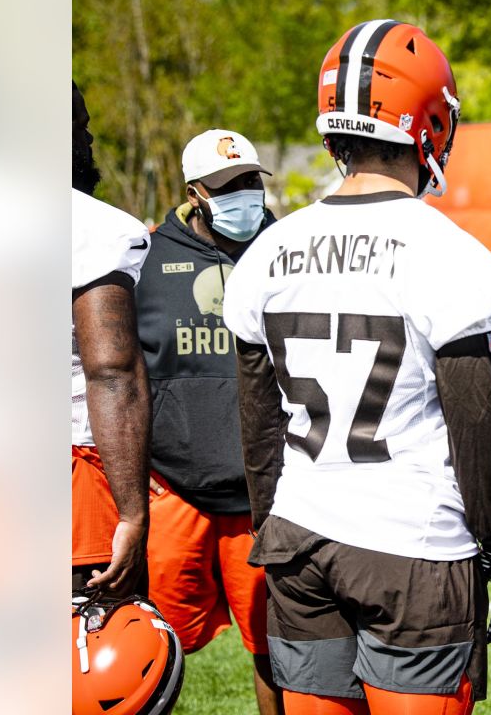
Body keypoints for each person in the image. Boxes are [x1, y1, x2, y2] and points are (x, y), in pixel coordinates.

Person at [222, 19, 491, 715]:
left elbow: (258, 429)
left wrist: (274, 528)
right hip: (412, 547)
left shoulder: (267, 253)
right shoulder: (451, 254)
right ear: (429, 125)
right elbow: (477, 426)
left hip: (299, 538)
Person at [136, 128, 280, 713]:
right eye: (226, 186)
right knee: (150, 646)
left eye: (250, 180)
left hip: (264, 494)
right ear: (195, 192)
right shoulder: (145, 258)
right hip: (175, 490)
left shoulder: (285, 247)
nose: (243, 195)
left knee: (277, 651)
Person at [71, 80, 152, 598]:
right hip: (71, 472)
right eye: (82, 128)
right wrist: (132, 511)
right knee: (90, 654)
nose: (91, 141)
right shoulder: (93, 229)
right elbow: (111, 372)